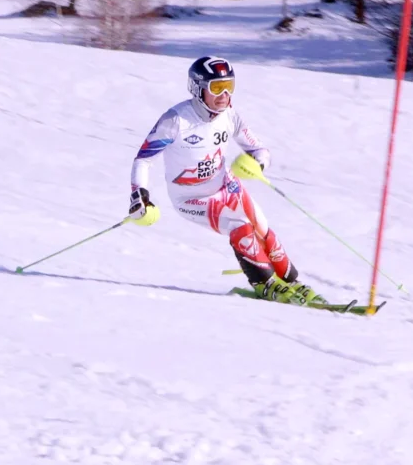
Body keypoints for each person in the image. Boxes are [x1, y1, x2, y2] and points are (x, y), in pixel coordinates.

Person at [126, 56, 326, 305]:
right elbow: (143, 160)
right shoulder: (175, 120)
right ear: (198, 89)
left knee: (263, 229)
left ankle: (292, 282)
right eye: (217, 87)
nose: (224, 95)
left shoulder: (229, 116)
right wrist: (140, 195)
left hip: (227, 186)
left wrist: (257, 165)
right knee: (239, 226)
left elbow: (260, 150)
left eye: (229, 86)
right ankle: (265, 284)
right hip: (190, 197)